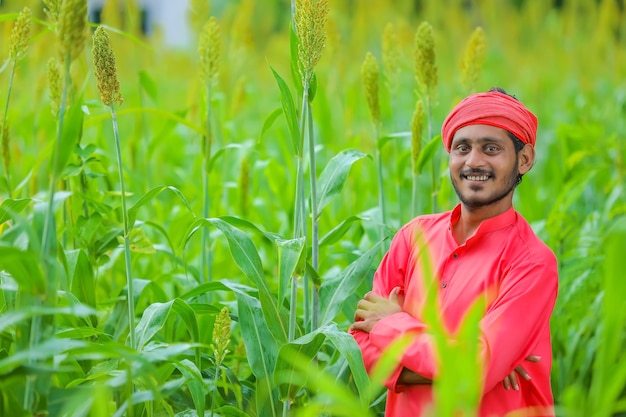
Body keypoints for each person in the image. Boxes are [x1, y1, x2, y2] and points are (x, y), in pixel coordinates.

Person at [350, 88, 558, 417]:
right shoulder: (412, 238)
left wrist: (391, 324)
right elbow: (360, 345)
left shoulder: (531, 262)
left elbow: (473, 372)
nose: (474, 161)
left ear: (524, 159)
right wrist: (473, 366)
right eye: (462, 148)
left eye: (491, 148)